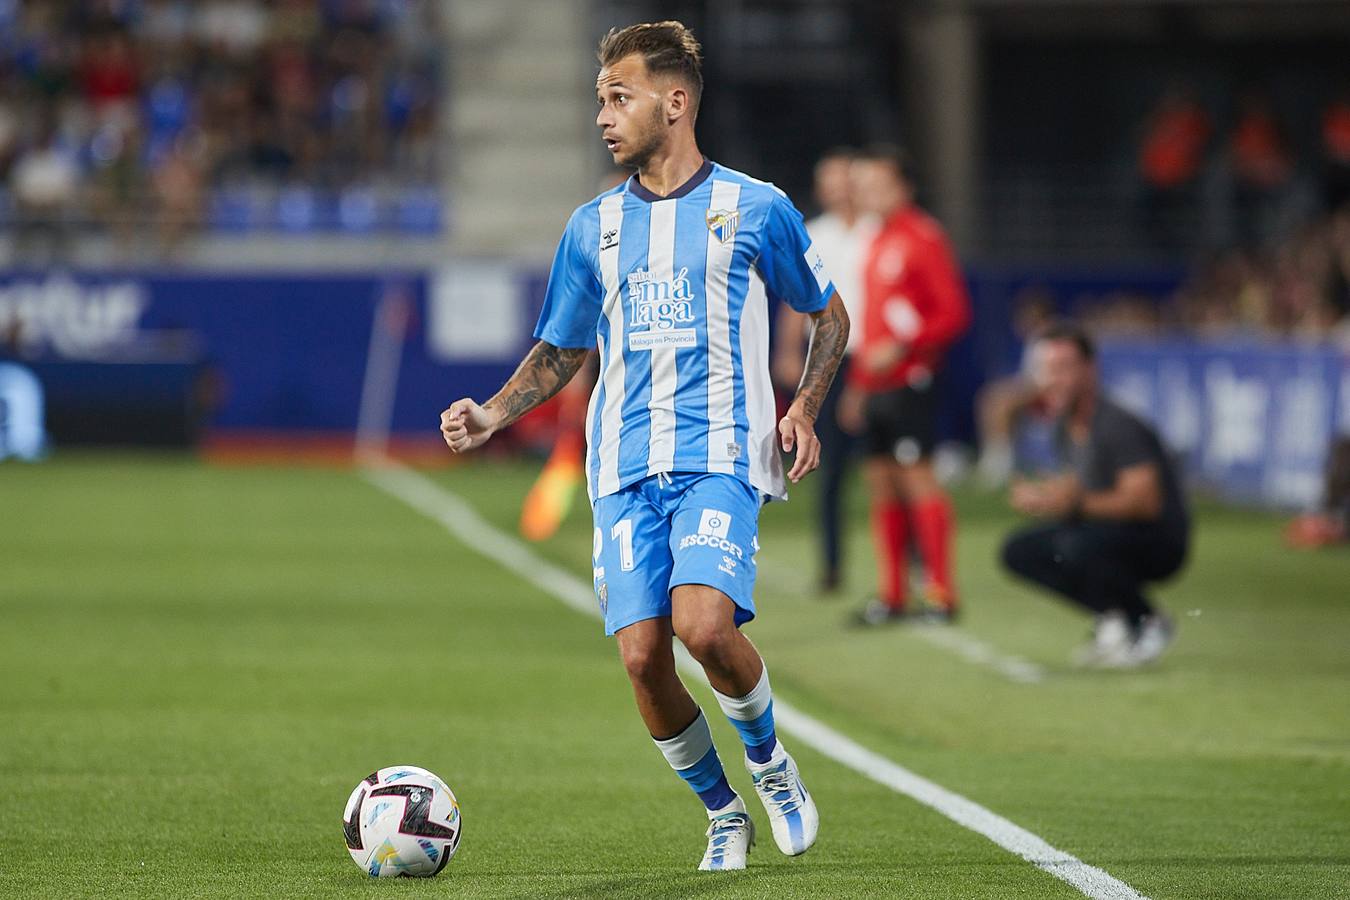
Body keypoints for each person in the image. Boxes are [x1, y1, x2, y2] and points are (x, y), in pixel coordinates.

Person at [440, 22, 849, 872]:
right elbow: (563, 347)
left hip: (722, 457)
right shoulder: (593, 227)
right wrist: (490, 415)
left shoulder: (754, 207)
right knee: (640, 657)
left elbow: (828, 313)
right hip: (622, 471)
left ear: (676, 101)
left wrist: (805, 407)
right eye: (599, 100)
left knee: (703, 627)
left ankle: (772, 767)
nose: (603, 116)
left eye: (618, 97)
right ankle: (722, 811)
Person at [1001, 322, 1189, 668]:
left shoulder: (1117, 425)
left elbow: (1144, 503)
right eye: (1046, 370)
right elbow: (1080, 490)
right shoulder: (1063, 427)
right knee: (1018, 551)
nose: (1053, 379)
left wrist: (1073, 504)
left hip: (1158, 539)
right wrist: (1048, 500)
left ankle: (1147, 619)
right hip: (1106, 529)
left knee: (1073, 547)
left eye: (1063, 368)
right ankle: (1114, 617)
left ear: (1090, 370)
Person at [842, 145, 971, 625]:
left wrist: (906, 344)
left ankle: (940, 592)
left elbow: (954, 313)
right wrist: (857, 385)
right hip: (875, 386)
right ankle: (892, 595)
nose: (871, 193)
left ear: (904, 188)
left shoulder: (923, 237)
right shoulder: (876, 241)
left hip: (911, 382)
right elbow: (871, 325)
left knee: (919, 482)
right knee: (882, 486)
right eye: (867, 185)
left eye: (880, 184)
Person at [771, 148, 876, 591]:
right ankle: (832, 566)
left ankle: (908, 566)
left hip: (876, 358)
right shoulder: (813, 233)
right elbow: (797, 301)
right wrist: (788, 351)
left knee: (887, 466)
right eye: (829, 179)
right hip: (831, 360)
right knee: (828, 468)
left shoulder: (879, 230)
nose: (838, 187)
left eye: (845, 177)